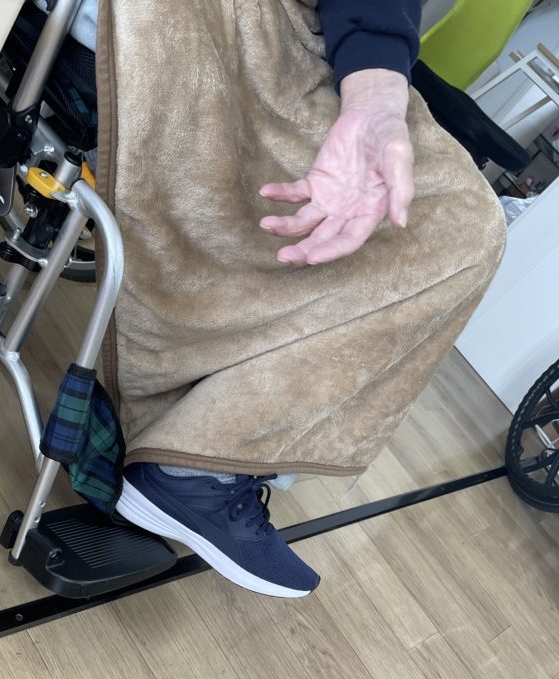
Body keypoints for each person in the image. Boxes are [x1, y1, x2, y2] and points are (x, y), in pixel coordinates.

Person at [72, 0, 503, 599]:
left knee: (466, 229)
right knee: (241, 164)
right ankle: (186, 455)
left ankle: (206, 447)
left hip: (299, 30)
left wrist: (376, 92)